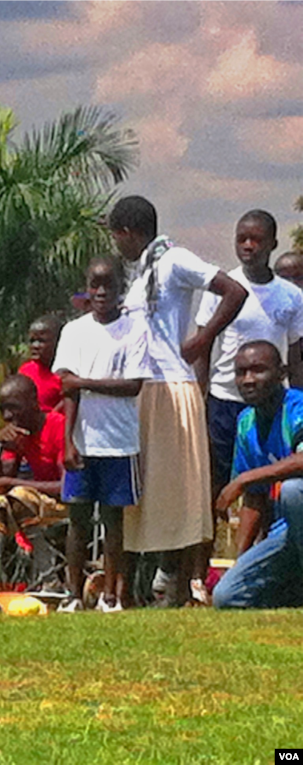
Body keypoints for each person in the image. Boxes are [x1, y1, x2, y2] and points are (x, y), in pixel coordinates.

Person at [111, 195, 247, 606]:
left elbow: (233, 291)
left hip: (171, 386)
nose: (117, 246)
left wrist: (203, 339)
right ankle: (137, 589)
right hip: (142, 386)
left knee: (176, 493)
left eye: (117, 237)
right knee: (143, 493)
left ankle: (179, 585)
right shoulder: (141, 275)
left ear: (129, 233)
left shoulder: (174, 261)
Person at [193, 210, 303, 602]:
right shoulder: (223, 287)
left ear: (272, 244)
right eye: (242, 238)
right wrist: (202, 394)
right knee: (214, 491)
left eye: (257, 239)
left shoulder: (291, 297)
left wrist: (297, 397)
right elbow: (204, 344)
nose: (248, 246)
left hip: (279, 402)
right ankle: (201, 577)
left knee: (289, 491)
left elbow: (295, 352)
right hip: (225, 403)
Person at [53, 257, 149, 612]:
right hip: (83, 440)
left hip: (119, 441)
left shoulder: (134, 330)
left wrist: (85, 382)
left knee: (113, 523)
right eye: (95, 285)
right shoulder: (74, 331)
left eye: (109, 285)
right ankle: (73, 594)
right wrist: (68, 440)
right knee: (77, 520)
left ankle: (112, 595)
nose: (102, 292)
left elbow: (133, 385)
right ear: (87, 287)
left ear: (120, 288)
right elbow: (67, 387)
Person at [212, 342, 303, 608]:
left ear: (281, 373)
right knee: (227, 596)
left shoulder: (297, 407)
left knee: (293, 491)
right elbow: (254, 500)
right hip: (287, 531)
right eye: (241, 372)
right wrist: (241, 560)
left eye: (258, 371)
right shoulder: (246, 422)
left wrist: (243, 479)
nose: (248, 380)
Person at [0, 375, 65, 609]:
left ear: (34, 402)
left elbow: (68, 487)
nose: (7, 416)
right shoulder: (19, 434)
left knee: (19, 495)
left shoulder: (57, 426)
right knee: (0, 503)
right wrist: (1, 449)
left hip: (65, 505)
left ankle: (50, 578)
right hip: (31, 506)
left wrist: (7, 480)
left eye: (13, 408)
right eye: (3, 409)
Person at [18, 315, 64, 413]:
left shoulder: (68, 372)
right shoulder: (26, 372)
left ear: (58, 342)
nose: (35, 346)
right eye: (32, 341)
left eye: (41, 341)